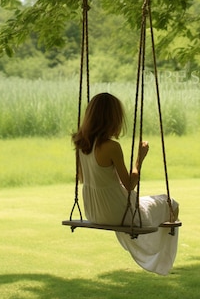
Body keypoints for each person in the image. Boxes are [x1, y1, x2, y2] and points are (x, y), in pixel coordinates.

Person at [72, 92, 179, 275]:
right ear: (113, 119)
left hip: (95, 212)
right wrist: (140, 158)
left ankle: (154, 255)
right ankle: (159, 256)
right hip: (121, 213)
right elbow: (130, 184)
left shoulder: (81, 145)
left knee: (149, 202)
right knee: (171, 203)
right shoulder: (112, 147)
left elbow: (82, 178)